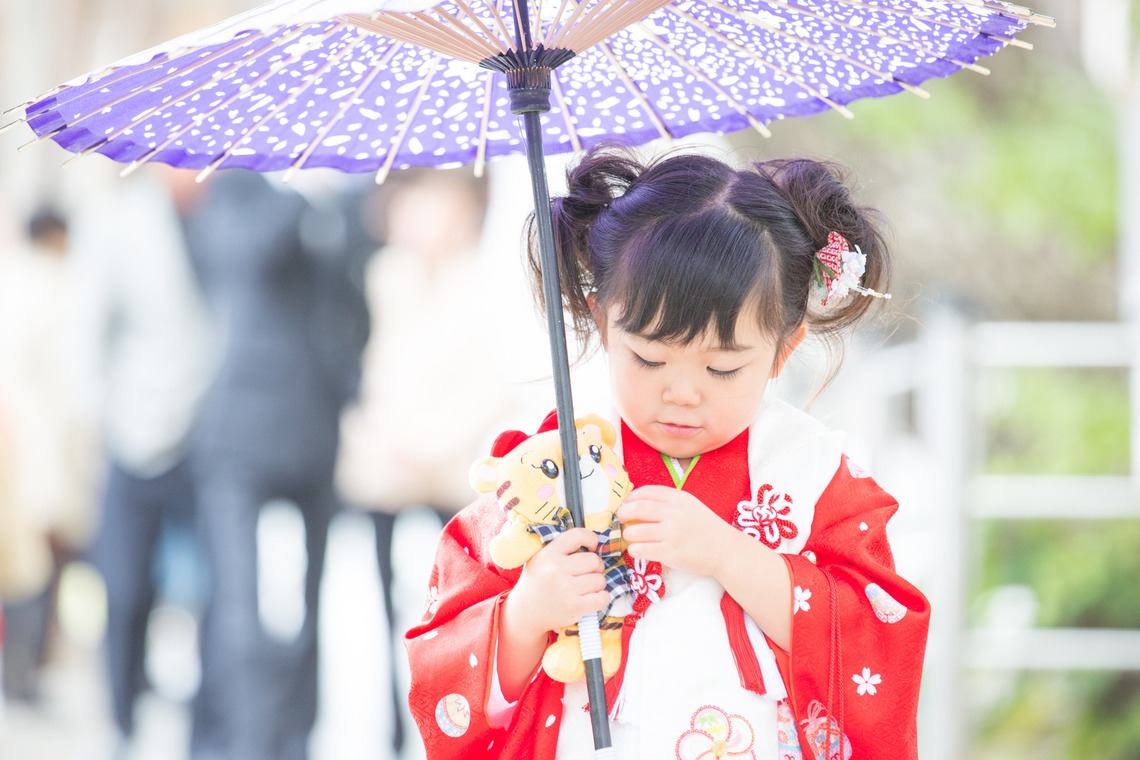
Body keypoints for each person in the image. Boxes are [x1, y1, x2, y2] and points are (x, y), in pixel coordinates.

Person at [405, 144, 931, 759]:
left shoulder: (812, 475)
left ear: (784, 349)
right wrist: (527, 613)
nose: (682, 394)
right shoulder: (550, 471)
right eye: (650, 358)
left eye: (723, 367)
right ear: (602, 322)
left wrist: (731, 556)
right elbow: (444, 661)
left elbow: (877, 645)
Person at [184, 169, 369, 760]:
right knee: (238, 604)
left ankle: (292, 739)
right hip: (241, 433)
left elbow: (351, 305)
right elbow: (241, 256)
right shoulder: (239, 191)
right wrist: (299, 193)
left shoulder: (339, 204)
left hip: (312, 432)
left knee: (308, 601)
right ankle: (240, 741)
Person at [66, 168, 215, 750]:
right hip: (134, 432)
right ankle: (121, 721)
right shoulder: (118, 220)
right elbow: (87, 329)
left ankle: (204, 728)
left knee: (210, 590)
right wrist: (97, 423)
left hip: (207, 437)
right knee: (125, 589)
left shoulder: (223, 212)